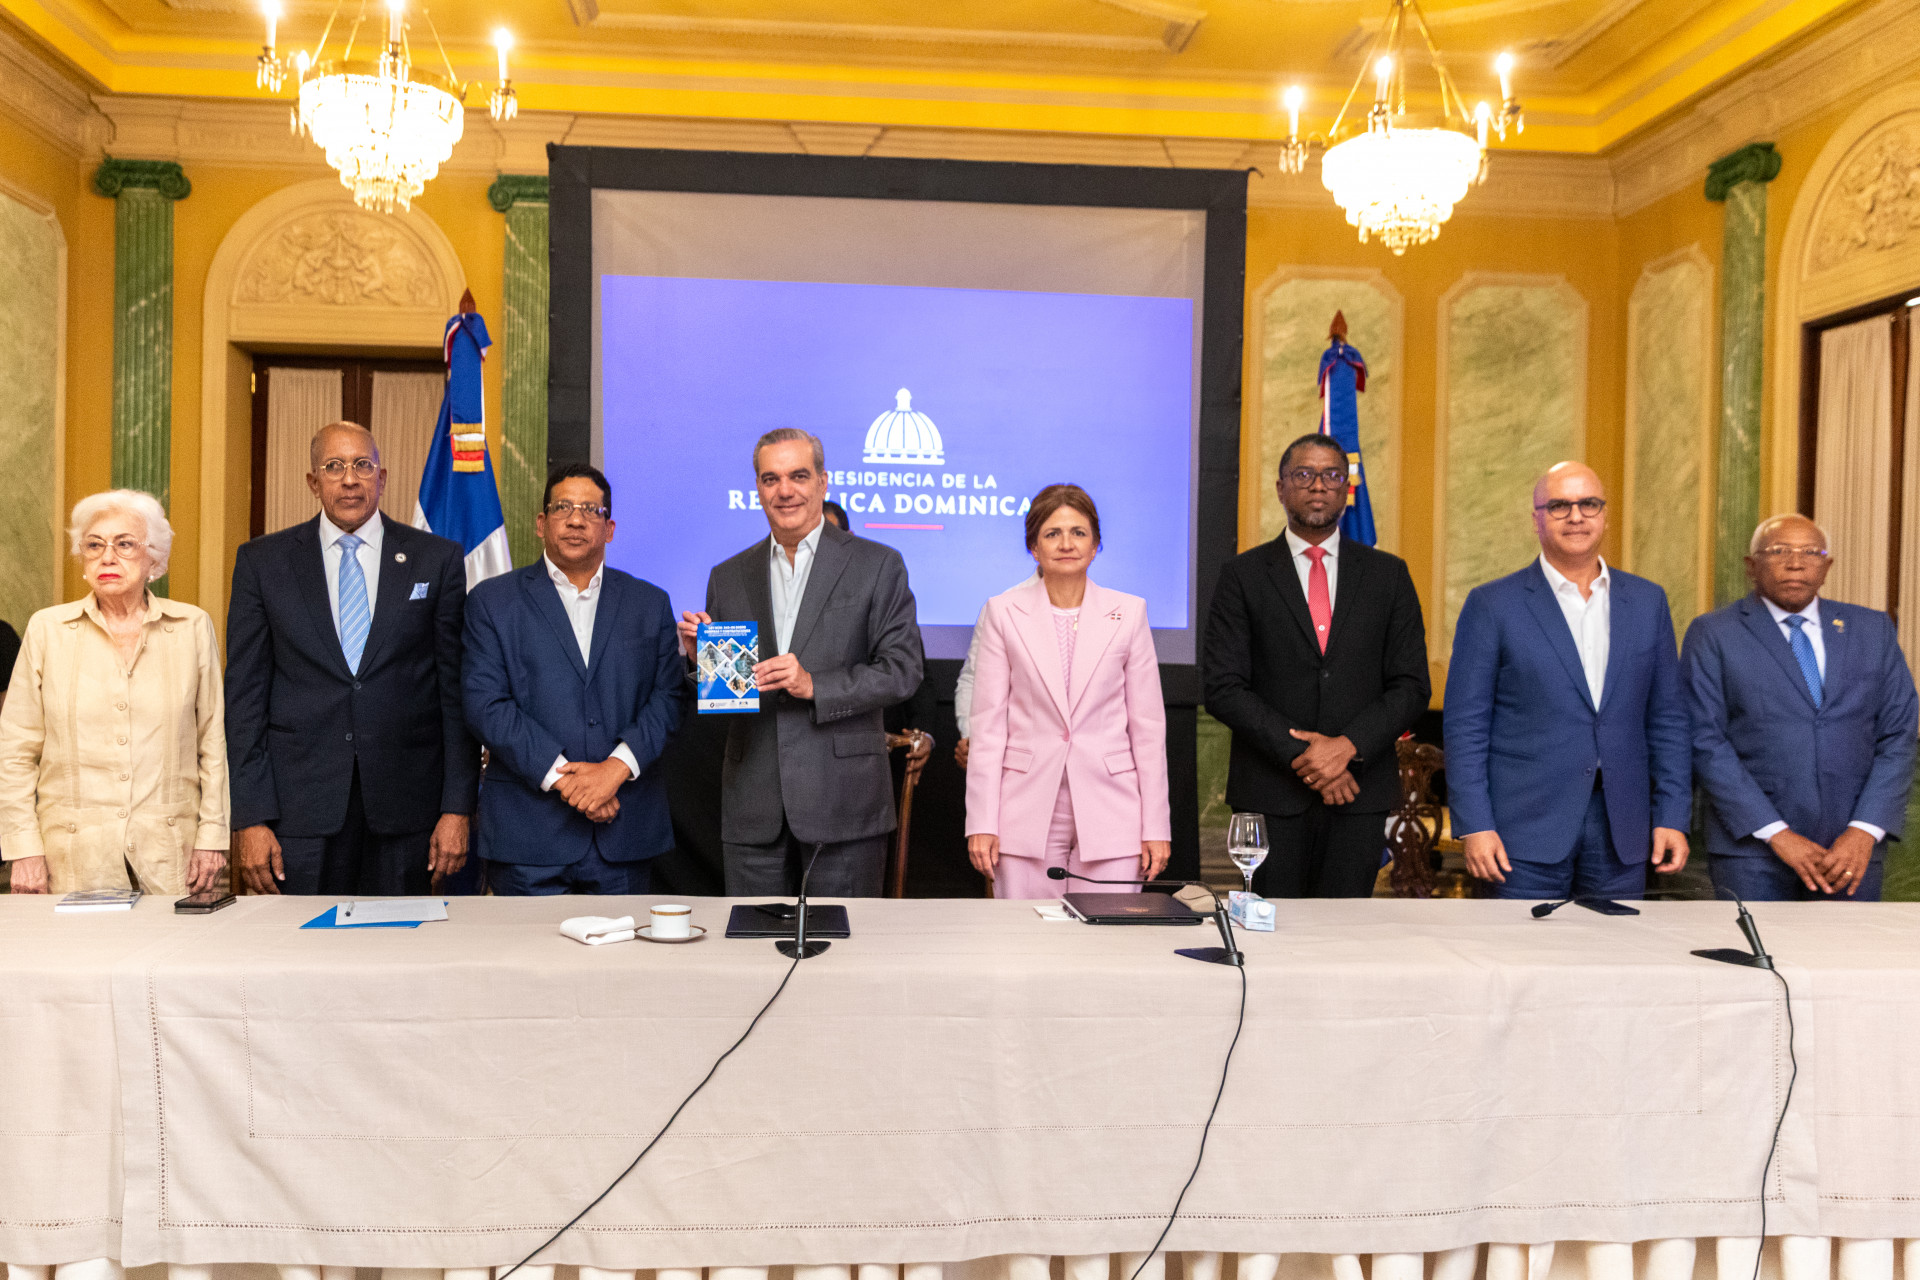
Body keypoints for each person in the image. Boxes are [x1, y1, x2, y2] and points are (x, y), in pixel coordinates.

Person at [225, 421, 479, 896]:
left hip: (410, 814)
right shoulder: (263, 562)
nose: (349, 479)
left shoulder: (435, 559)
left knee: (402, 942)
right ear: (313, 481)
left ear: (381, 478)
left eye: (363, 465)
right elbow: (245, 699)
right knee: (297, 943)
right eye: (334, 466)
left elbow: (455, 694)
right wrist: (251, 817)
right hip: (299, 814)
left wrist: (457, 808)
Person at [677, 428, 923, 896]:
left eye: (799, 476)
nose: (784, 490)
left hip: (843, 803)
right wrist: (702, 662)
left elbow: (902, 670)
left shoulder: (877, 564)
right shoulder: (728, 575)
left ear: (823, 482)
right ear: (757, 488)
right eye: (771, 479)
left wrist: (815, 684)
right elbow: (730, 697)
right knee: (754, 938)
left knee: (842, 939)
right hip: (754, 804)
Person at [1444, 461, 1690, 900]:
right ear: (1536, 519)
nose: (1576, 516)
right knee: (1521, 946)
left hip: (1622, 829)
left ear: (1605, 515)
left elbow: (1668, 719)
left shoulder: (1647, 601)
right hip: (1521, 834)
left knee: (1615, 945)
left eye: (1588, 504)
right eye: (1559, 506)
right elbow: (1465, 726)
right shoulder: (1493, 605)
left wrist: (1672, 814)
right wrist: (1475, 824)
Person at [1202, 433, 1429, 897]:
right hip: (1271, 793)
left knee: (1346, 933)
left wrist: (1348, 747)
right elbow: (1224, 687)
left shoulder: (1389, 575)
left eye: (1331, 475)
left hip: (1358, 793)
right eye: (1304, 474)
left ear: (1347, 489)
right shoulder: (1242, 575)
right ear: (1281, 488)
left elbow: (1411, 685)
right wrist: (1307, 757)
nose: (1318, 485)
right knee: (1273, 930)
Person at [463, 464, 684, 894]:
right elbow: (485, 703)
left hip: (624, 833)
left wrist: (614, 771)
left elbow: (668, 697)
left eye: (590, 510)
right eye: (563, 507)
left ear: (610, 529)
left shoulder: (650, 602)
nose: (576, 519)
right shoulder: (492, 602)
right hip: (528, 837)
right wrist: (571, 783)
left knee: (625, 943)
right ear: (541, 523)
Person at [0, 491, 227, 896]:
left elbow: (212, 741)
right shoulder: (47, 630)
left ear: (154, 559)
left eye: (124, 544)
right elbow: (15, 750)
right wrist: (24, 849)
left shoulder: (191, 627)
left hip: (171, 854)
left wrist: (212, 837)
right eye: (94, 545)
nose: (107, 557)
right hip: (71, 857)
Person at [1683, 514, 1918, 900]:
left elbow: (1898, 735)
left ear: (1827, 566)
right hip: (1752, 850)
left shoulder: (1872, 629)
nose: (1796, 563)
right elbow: (1704, 739)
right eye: (1779, 551)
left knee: (1848, 943)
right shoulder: (1714, 633)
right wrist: (1776, 833)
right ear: (1751, 565)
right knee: (1756, 942)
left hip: (1852, 850)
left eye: (1811, 552)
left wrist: (1864, 829)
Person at [965, 484, 1171, 898]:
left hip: (1114, 807)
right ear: (1033, 547)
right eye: (1052, 533)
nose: (1066, 544)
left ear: (1095, 545)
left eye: (1078, 532)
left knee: (1106, 934)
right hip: (1023, 807)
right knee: (1027, 934)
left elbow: (1147, 729)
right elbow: (988, 727)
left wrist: (1156, 826)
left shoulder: (1129, 612)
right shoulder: (1003, 612)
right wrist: (982, 822)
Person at [952, 572, 1036, 771]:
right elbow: (974, 679)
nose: (1065, 549)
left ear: (1093, 554)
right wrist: (972, 738)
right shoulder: (1002, 607)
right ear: (1034, 554)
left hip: (1091, 766)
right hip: (1019, 760)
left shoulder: (1110, 609)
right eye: (1051, 537)